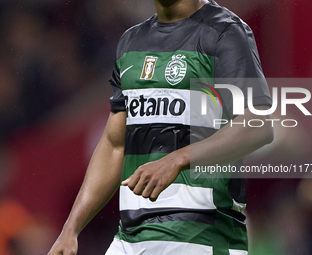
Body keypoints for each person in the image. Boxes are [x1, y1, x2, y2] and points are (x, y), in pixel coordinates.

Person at [48, 0, 273, 254]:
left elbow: (258, 125)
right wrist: (71, 229)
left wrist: (177, 159)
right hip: (131, 237)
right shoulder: (131, 42)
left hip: (200, 235)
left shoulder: (225, 32)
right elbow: (114, 144)